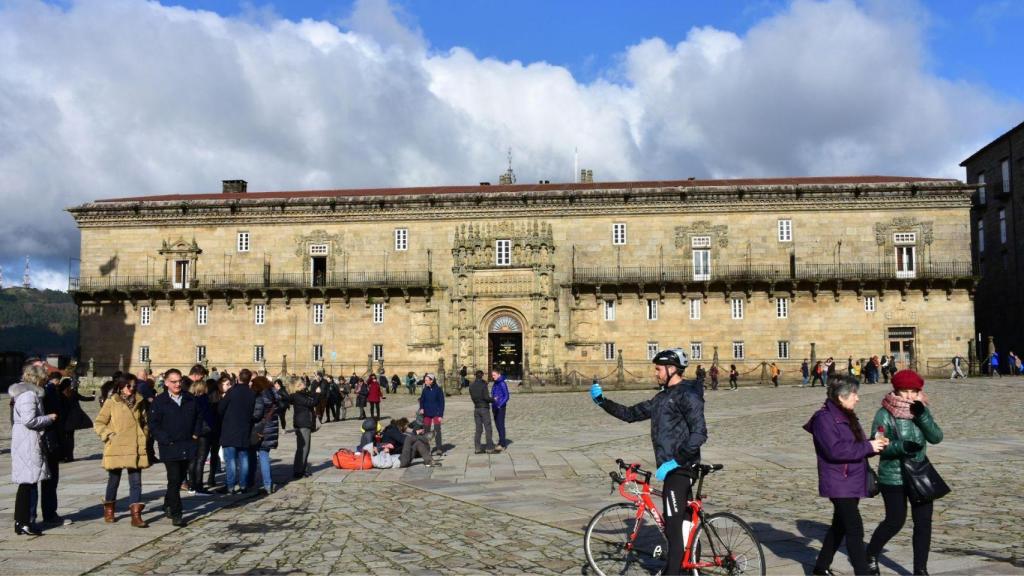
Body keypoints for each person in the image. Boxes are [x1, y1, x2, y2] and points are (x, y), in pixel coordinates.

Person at [589, 349, 707, 576]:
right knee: (683, 527)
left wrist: (676, 461)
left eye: (658, 369)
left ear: (671, 369)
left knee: (673, 531)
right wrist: (602, 401)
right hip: (672, 469)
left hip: (681, 470)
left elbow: (699, 433)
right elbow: (630, 413)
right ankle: (692, 568)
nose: (655, 373)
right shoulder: (661, 398)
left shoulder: (688, 395)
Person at [804, 375, 887, 576]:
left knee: (840, 525)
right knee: (854, 528)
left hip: (851, 479)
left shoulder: (846, 414)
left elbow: (853, 446)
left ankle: (820, 567)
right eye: (854, 394)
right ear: (841, 397)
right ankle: (862, 572)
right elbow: (835, 450)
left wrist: (874, 445)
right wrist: (868, 446)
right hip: (839, 481)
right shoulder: (824, 418)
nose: (857, 398)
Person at [866, 370, 944, 576]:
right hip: (893, 476)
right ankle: (871, 554)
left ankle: (921, 570)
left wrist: (923, 416)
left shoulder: (922, 410)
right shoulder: (884, 413)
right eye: (904, 391)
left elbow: (936, 437)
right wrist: (901, 447)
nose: (909, 396)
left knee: (923, 524)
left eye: (913, 391)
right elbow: (877, 446)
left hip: (919, 474)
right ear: (896, 391)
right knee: (895, 521)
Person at [94, 373, 151, 527]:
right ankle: (109, 509)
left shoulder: (140, 401)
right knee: (114, 480)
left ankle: (136, 515)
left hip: (135, 445)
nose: (131, 389)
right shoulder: (112, 402)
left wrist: (144, 435)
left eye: (134, 386)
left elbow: (145, 421)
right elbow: (99, 422)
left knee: (136, 481)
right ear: (121, 386)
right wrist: (109, 435)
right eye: (128, 386)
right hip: (117, 446)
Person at [149, 368, 202, 526]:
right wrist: (165, 439)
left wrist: (195, 434)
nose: (177, 384)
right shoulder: (160, 401)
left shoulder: (189, 398)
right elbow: (153, 424)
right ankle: (177, 513)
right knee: (173, 478)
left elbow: (199, 417)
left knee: (178, 479)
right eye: (173, 382)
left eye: (179, 381)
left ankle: (167, 503)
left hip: (187, 444)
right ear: (166, 383)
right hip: (170, 446)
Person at [10, 363, 56, 535]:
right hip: (28, 441)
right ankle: (25, 522)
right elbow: (30, 420)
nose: (44, 383)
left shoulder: (24, 394)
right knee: (28, 483)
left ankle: (21, 521)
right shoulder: (29, 395)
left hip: (25, 440)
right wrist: (48, 418)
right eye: (43, 379)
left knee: (26, 483)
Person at [217, 368, 256, 494]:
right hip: (244, 429)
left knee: (231, 460)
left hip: (230, 429)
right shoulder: (251, 393)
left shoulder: (232, 391)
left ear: (238, 377)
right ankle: (243, 485)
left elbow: (221, 408)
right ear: (249, 379)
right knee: (244, 458)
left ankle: (230, 486)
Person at [250, 376, 280, 495]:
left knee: (260, 456)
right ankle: (268, 484)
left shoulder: (260, 396)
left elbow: (257, 415)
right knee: (264, 455)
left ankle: (265, 484)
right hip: (271, 428)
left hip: (262, 429)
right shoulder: (273, 394)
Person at [287, 376, 319, 479]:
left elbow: (310, 396)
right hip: (302, 424)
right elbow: (311, 402)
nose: (304, 383)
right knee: (303, 448)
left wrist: (316, 386)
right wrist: (318, 394)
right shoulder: (297, 396)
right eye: (302, 382)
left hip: (304, 423)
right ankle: (298, 471)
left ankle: (302, 469)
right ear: (298, 385)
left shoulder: (302, 393)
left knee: (305, 448)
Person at [58, 377, 94, 463]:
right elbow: (86, 399)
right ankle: (70, 456)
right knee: (70, 439)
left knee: (62, 439)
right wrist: (93, 395)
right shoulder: (73, 393)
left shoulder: (59, 394)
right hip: (72, 421)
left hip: (63, 419)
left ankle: (63, 456)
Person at [468, 370, 497, 454]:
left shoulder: (471, 385)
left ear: (475, 376)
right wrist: (493, 399)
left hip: (476, 408)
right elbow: (486, 397)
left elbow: (472, 396)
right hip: (484, 408)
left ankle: (477, 448)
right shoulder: (483, 385)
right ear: (482, 376)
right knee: (488, 428)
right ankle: (489, 448)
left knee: (478, 429)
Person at [418, 373, 445, 456]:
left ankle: (439, 448)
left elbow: (441, 402)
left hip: (436, 413)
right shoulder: (425, 389)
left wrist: (440, 415)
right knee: (426, 431)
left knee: (437, 431)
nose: (425, 381)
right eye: (425, 380)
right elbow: (421, 400)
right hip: (427, 413)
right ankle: (427, 449)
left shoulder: (438, 389)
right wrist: (422, 408)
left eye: (426, 380)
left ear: (431, 381)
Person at [491, 369, 510, 450]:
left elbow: (506, 396)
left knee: (501, 425)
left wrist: (500, 405)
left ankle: (503, 444)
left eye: (494, 375)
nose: (493, 377)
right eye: (492, 375)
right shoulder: (495, 383)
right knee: (497, 425)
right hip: (494, 406)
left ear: (499, 375)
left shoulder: (502, 383)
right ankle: (500, 441)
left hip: (500, 407)